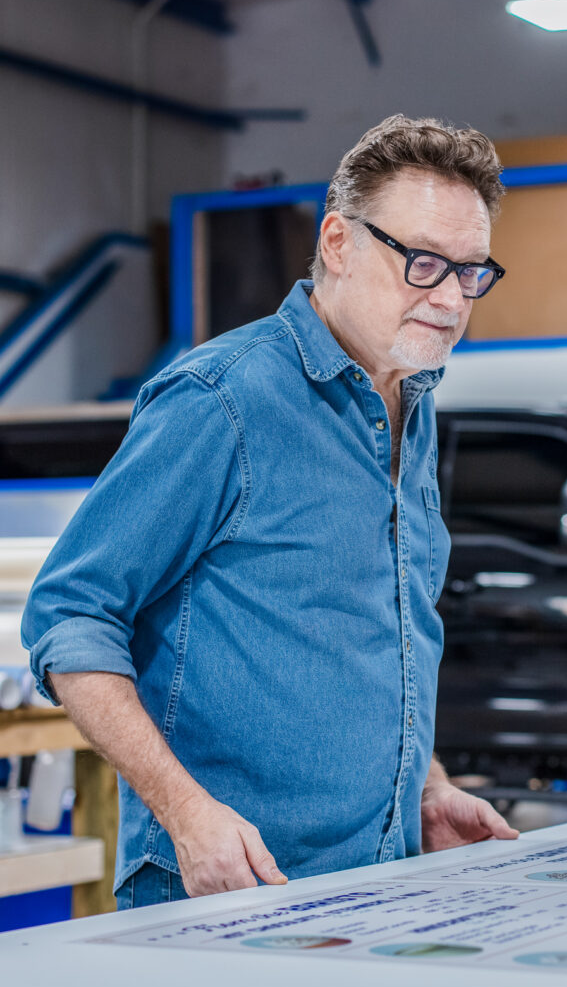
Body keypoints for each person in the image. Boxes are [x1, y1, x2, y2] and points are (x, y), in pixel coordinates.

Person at [23, 114, 518, 910]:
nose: (451, 298)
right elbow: (69, 613)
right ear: (337, 243)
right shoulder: (224, 401)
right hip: (227, 892)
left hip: (378, 885)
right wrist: (186, 814)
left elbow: (378, 637)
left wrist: (425, 789)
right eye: (424, 263)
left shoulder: (411, 403)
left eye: (470, 272)